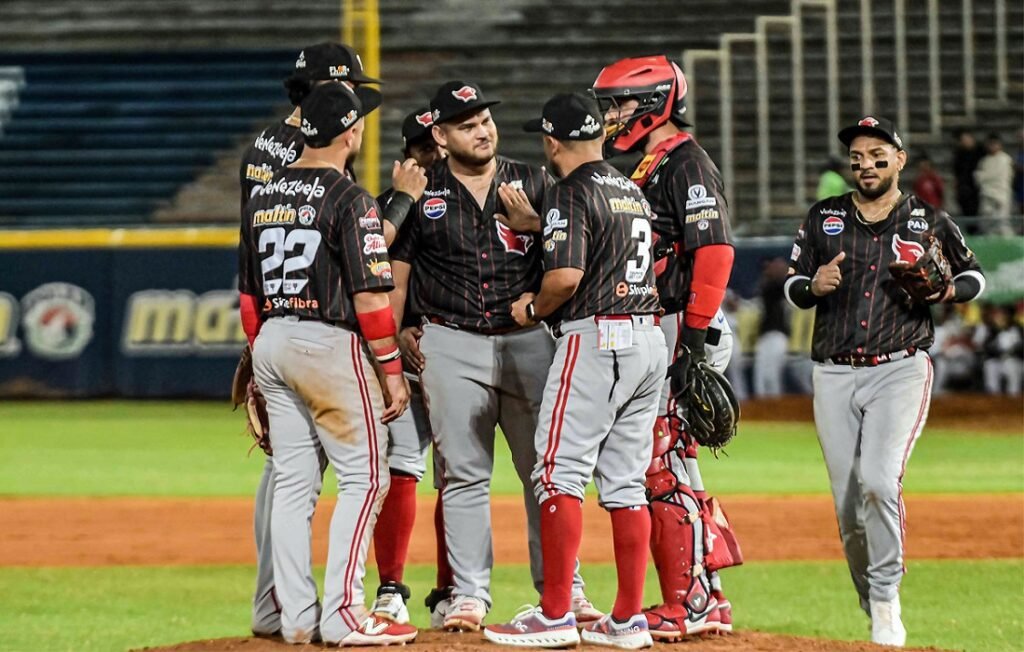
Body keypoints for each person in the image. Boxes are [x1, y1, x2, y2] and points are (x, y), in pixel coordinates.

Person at [388, 81, 597, 632]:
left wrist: (537, 224)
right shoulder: (425, 192)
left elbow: (574, 257)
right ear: (440, 134)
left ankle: (563, 591)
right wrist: (400, 328)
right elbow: (398, 272)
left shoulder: (535, 181)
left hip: (529, 340)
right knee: (462, 475)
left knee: (546, 473)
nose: (482, 131)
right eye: (466, 124)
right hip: (451, 340)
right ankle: (468, 595)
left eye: (484, 120)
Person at [785, 116, 985, 647]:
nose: (865, 163)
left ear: (899, 159)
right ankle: (870, 593)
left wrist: (945, 294)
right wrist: (811, 285)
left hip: (900, 366)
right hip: (833, 371)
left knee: (878, 479)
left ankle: (886, 596)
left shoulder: (927, 218)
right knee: (848, 504)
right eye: (856, 156)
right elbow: (793, 283)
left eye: (877, 154)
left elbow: (974, 274)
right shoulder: (824, 217)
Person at [482, 92, 666, 649]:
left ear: (551, 140)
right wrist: (542, 224)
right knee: (626, 482)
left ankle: (556, 614)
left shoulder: (568, 189)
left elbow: (564, 278)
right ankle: (628, 619)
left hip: (599, 338)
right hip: (646, 340)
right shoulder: (628, 188)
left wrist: (531, 308)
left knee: (558, 471)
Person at [238, 83, 421, 646]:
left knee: (293, 484)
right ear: (349, 132)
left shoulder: (263, 196)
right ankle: (344, 612)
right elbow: (370, 298)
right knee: (366, 477)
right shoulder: (350, 199)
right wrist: (390, 371)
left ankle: (293, 616)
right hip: (327, 343)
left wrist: (254, 371)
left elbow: (248, 297)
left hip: (272, 341)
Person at [591, 54, 738, 640]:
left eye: (621, 103)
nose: (613, 115)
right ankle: (707, 596)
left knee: (660, 465)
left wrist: (694, 344)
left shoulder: (685, 164)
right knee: (676, 466)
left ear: (654, 103)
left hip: (682, 323)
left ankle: (686, 604)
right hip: (672, 321)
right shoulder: (656, 164)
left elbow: (716, 251)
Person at [368, 107, 444, 625]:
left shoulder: (477, 200)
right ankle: (390, 586)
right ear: (406, 156)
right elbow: (368, 272)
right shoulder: (383, 209)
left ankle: (453, 589)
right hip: (401, 359)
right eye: (424, 149)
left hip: (462, 346)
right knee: (401, 468)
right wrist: (394, 336)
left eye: (438, 147)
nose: (433, 159)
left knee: (461, 475)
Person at [753, 257, 790, 397]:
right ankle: (762, 410)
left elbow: (783, 283)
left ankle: (776, 409)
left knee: (773, 375)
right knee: (761, 375)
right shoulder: (766, 287)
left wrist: (782, 270)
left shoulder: (782, 287)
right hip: (764, 336)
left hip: (778, 335)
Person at [974, 132, 1015, 234]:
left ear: (1000, 145)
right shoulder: (984, 161)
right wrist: (983, 177)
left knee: (1002, 224)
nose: (992, 146)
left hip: (1001, 195)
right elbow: (978, 178)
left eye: (995, 144)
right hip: (986, 195)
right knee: (987, 226)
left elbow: (1000, 177)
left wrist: (984, 176)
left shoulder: (1005, 159)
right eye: (990, 144)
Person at [951, 128, 984, 226]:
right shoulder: (959, 155)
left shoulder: (980, 151)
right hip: (964, 189)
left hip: (978, 188)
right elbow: (957, 172)